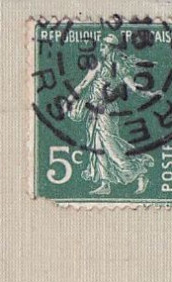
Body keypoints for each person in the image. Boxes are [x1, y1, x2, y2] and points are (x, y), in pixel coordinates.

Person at [65, 35, 156, 196]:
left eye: (104, 47)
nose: (101, 49)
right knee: (97, 146)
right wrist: (70, 100)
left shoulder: (119, 66)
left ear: (112, 48)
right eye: (101, 47)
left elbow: (133, 87)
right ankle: (105, 183)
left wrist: (150, 94)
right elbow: (84, 83)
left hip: (107, 110)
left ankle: (139, 172)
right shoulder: (98, 65)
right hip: (93, 109)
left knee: (110, 145)